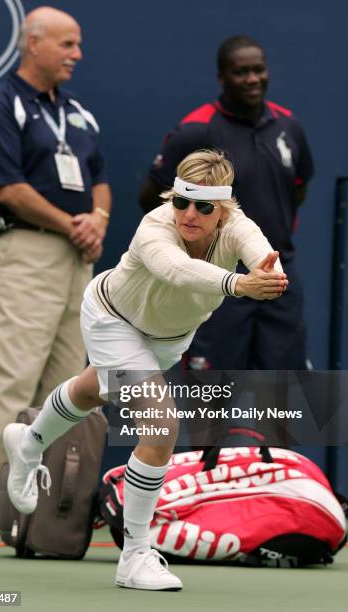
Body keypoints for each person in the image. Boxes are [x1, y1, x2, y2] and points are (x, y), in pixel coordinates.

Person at [2, 149, 288, 590]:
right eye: (181, 202)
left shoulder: (238, 227)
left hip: (167, 339)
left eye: (204, 207)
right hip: (112, 319)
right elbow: (177, 270)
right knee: (160, 425)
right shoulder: (154, 227)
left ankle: (29, 441)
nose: (189, 214)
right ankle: (135, 555)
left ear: (224, 210)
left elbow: (264, 259)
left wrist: (269, 276)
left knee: (91, 391)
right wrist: (238, 284)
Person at [0, 6, 112, 529]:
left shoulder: (78, 112)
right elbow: (9, 188)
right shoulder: (2, 106)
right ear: (35, 43)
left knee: (70, 381)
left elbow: (99, 177)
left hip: (76, 258)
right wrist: (74, 224)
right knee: (14, 371)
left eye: (79, 45)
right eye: (68, 45)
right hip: (24, 250)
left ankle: (51, 498)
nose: (77, 55)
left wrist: (99, 217)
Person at [139, 35, 314, 373]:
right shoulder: (196, 130)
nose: (252, 79)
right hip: (217, 275)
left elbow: (298, 190)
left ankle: (267, 430)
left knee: (282, 387)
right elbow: (152, 198)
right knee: (214, 388)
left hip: (277, 273)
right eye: (241, 72)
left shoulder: (289, 127)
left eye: (258, 70)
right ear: (222, 78)